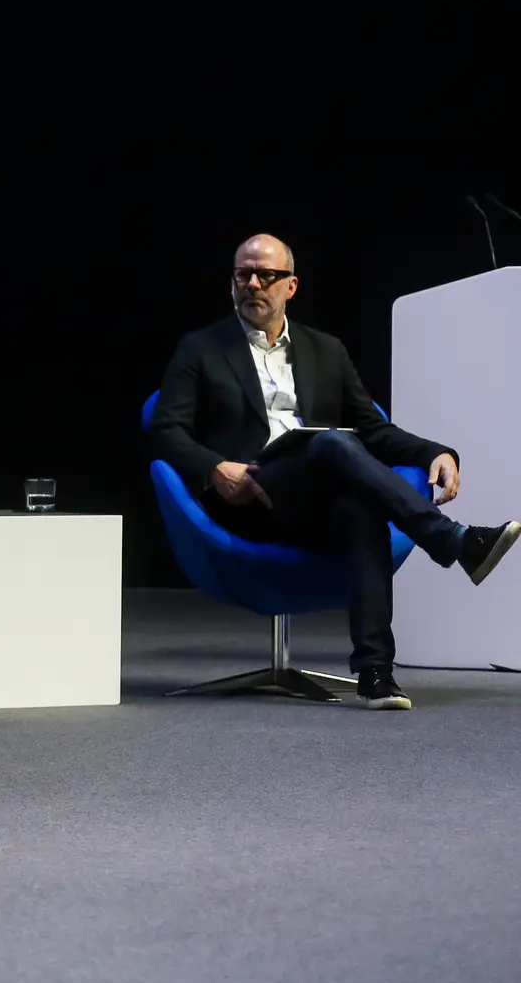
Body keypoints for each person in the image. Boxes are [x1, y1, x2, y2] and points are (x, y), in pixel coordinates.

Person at [148, 233, 520, 709]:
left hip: (315, 498)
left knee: (357, 502)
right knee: (331, 442)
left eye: (268, 275)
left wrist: (434, 453)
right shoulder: (200, 348)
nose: (253, 284)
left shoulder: (326, 350)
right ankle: (453, 540)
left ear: (291, 286)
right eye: (243, 274)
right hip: (250, 494)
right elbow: (165, 430)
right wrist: (217, 468)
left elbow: (374, 430)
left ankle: (375, 674)